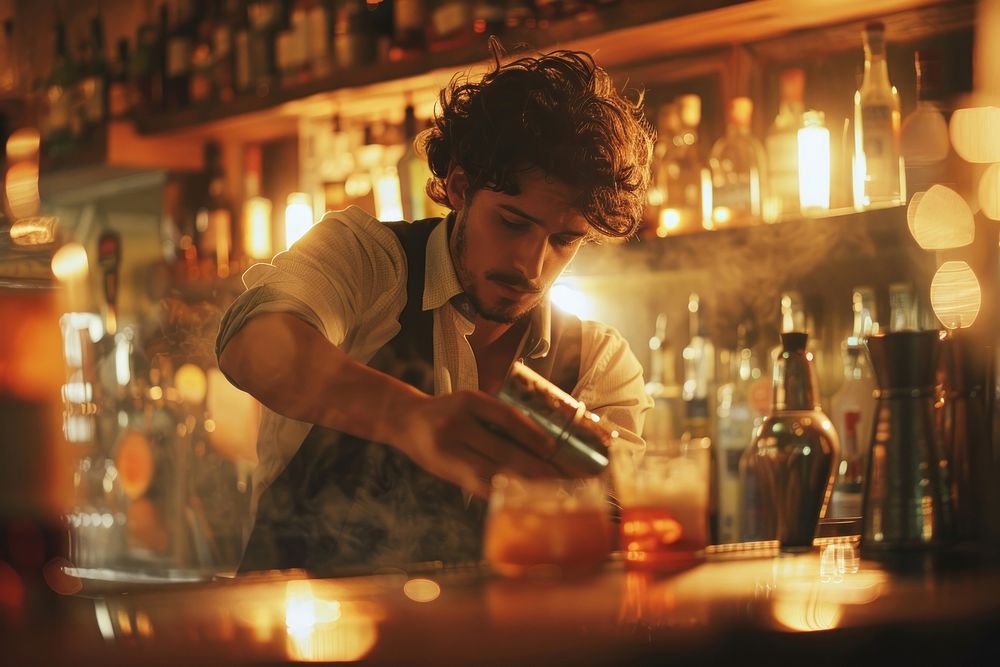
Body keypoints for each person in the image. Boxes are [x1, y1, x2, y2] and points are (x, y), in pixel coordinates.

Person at [216, 40, 654, 574]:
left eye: (564, 239)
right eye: (513, 223)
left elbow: (625, 539)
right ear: (460, 187)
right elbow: (251, 343)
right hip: (304, 642)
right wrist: (408, 418)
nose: (531, 265)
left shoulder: (596, 365)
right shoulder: (368, 261)